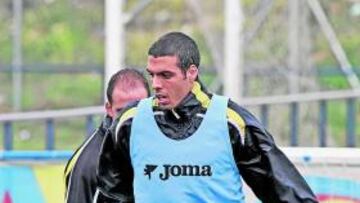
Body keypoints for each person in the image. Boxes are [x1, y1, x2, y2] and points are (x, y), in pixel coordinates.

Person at [96, 32, 318, 203]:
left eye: (166, 75)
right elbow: (111, 195)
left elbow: (288, 193)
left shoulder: (231, 121)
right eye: (152, 75)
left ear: (191, 73)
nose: (156, 84)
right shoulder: (129, 123)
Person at [64, 68, 150, 203]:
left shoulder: (163, 146)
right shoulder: (88, 165)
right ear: (109, 109)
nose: (129, 118)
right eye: (121, 111)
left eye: (136, 109)